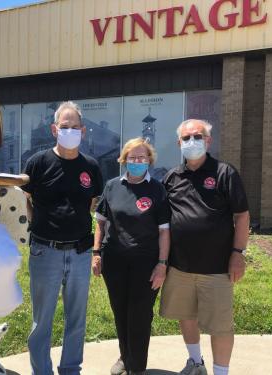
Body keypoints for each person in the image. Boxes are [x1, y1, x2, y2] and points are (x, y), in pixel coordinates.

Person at [159, 119, 250, 375]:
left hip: (217, 268)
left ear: (208, 141)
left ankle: (221, 372)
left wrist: (238, 254)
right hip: (179, 267)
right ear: (179, 143)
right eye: (186, 138)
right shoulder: (171, 177)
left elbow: (242, 216)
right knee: (186, 315)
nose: (192, 142)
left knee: (220, 326)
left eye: (197, 137)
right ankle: (196, 363)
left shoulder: (224, 173)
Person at [22, 101, 103, 375]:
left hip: (80, 252)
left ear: (83, 130)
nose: (70, 131)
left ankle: (70, 369)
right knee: (41, 320)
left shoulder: (91, 166)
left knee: (76, 319)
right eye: (64, 127)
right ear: (54, 129)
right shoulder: (37, 163)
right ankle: (41, 371)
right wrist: (42, 225)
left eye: (75, 127)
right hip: (45, 252)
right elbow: (26, 200)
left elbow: (90, 203)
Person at [92, 137, 171, 375]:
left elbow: (164, 232)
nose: (137, 161)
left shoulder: (157, 189)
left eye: (142, 157)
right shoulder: (112, 186)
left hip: (146, 263)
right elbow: (101, 223)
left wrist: (162, 264)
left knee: (140, 314)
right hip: (114, 261)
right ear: (124, 160)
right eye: (132, 157)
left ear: (149, 160)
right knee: (120, 311)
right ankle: (125, 357)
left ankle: (137, 368)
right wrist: (96, 253)